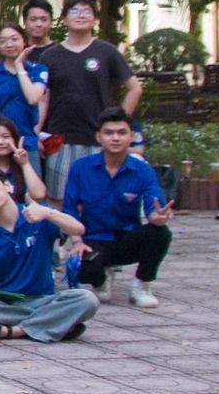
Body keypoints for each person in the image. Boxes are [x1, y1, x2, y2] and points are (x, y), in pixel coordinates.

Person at [0, 165, 97, 342]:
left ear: (7, 186)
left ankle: (16, 330)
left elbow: (78, 229)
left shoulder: (36, 214)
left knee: (87, 299)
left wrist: (49, 213)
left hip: (42, 299)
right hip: (3, 303)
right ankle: (52, 322)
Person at [61, 109, 173, 307]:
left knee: (160, 233)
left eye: (122, 133)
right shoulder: (81, 167)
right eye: (109, 133)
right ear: (99, 137)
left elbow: (154, 204)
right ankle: (101, 279)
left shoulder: (142, 169)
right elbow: (69, 209)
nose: (115, 138)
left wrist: (157, 217)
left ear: (132, 137)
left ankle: (141, 285)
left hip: (126, 239)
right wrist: (76, 241)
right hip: (93, 239)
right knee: (85, 270)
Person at [39, 0, 142, 201]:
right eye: (74, 11)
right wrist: (36, 133)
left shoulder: (106, 52)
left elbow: (135, 88)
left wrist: (118, 122)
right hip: (60, 140)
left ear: (94, 19)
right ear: (64, 20)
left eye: (86, 12)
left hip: (97, 139)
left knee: (98, 198)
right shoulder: (49, 56)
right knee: (59, 198)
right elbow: (42, 99)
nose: (81, 15)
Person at [0, 24, 48, 162]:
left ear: (24, 40)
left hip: (26, 141)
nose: (9, 44)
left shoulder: (38, 70)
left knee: (30, 176)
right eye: (3, 41)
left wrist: (19, 65)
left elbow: (33, 98)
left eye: (14, 39)